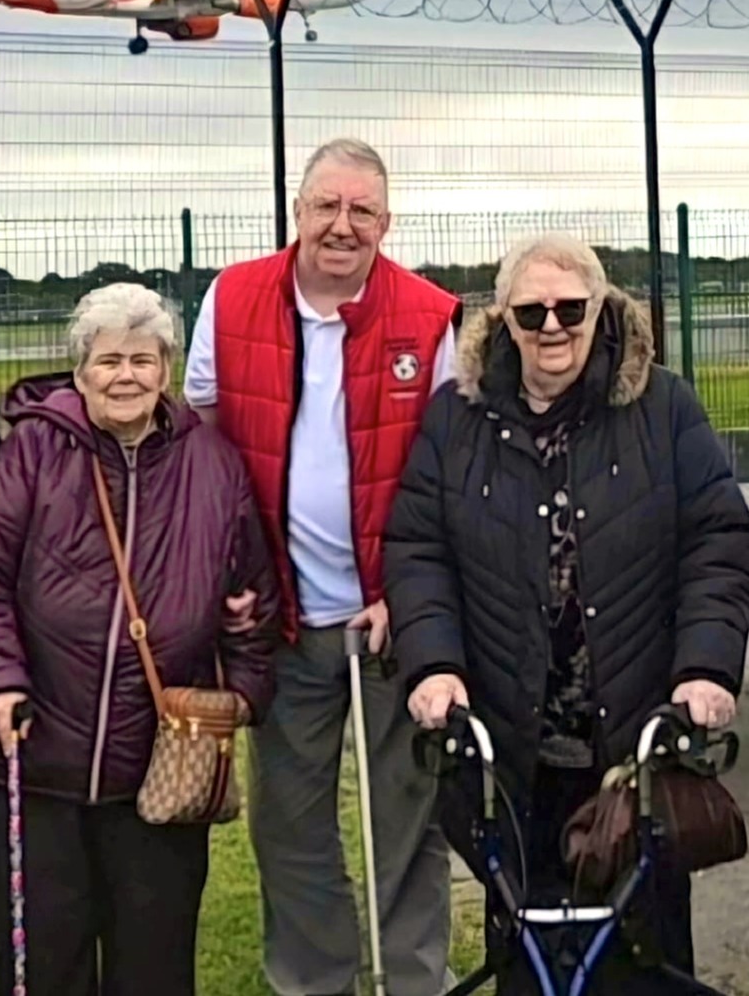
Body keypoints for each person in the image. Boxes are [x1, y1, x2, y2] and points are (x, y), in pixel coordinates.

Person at [384, 232, 749, 995]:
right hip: (510, 747)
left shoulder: (665, 407)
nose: (550, 326)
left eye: (569, 308)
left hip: (633, 742)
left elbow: (716, 543)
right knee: (526, 955)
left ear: (600, 308)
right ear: (503, 320)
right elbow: (417, 550)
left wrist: (705, 667)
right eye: (531, 312)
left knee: (646, 952)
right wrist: (434, 665)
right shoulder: (457, 422)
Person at [0, 282, 280, 996]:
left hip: (160, 768)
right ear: (80, 370)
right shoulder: (33, 450)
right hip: (29, 761)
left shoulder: (212, 462)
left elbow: (251, 591)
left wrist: (242, 691)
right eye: (108, 361)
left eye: (143, 361)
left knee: (153, 968)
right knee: (46, 966)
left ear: (167, 370)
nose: (126, 376)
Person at [183, 137, 461, 996]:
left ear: (386, 222)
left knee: (408, 818)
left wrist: (406, 598)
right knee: (288, 824)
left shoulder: (429, 315)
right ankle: (313, 980)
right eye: (327, 207)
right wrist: (231, 576)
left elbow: (446, 472)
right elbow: (199, 438)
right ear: (297, 211)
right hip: (283, 619)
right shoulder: (231, 298)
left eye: (362, 211)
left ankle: (412, 980)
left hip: (390, 621)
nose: (342, 226)